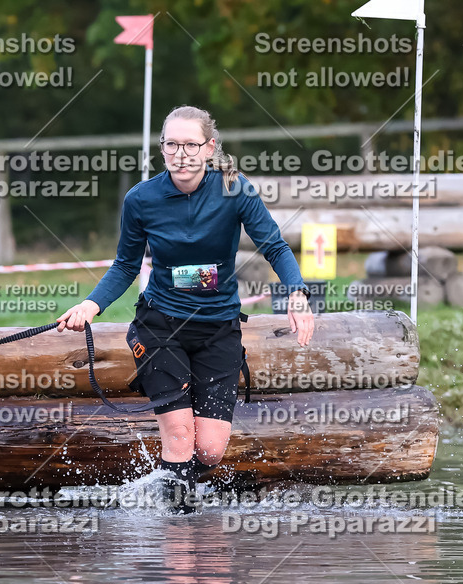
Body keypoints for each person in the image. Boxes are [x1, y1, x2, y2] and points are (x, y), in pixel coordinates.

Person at [56, 105, 315, 512]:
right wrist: (91, 305)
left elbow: (274, 246)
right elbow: (125, 264)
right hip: (160, 326)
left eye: (191, 144)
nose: (181, 153)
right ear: (162, 150)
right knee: (179, 436)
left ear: (209, 148)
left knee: (210, 450)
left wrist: (297, 293)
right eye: (172, 144)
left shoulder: (236, 191)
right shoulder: (141, 199)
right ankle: (173, 544)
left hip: (218, 329)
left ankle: (160, 498)